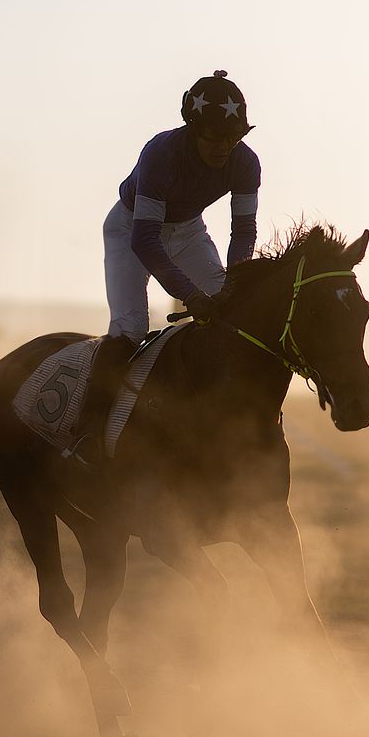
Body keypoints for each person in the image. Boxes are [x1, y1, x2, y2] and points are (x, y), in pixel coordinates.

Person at [70, 69, 260, 468]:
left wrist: (234, 283)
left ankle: (227, 421)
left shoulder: (246, 163)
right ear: (192, 129)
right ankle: (88, 430)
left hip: (188, 230)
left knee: (233, 314)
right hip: (131, 228)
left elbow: (242, 231)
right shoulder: (161, 154)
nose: (224, 148)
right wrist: (191, 295)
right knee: (130, 328)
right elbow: (145, 242)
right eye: (213, 138)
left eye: (233, 138)